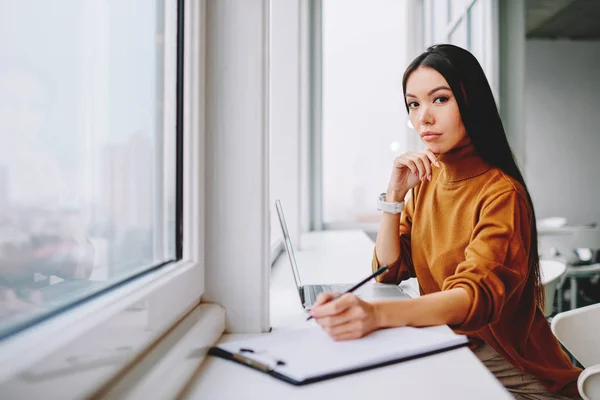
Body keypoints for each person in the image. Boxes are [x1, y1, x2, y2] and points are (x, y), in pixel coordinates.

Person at [309, 44, 582, 399]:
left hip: (520, 378)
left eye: (440, 99)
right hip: (458, 351)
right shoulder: (426, 181)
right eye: (413, 103)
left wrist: (376, 315)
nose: (423, 117)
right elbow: (389, 270)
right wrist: (394, 197)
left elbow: (472, 298)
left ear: (472, 102)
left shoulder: (501, 193)